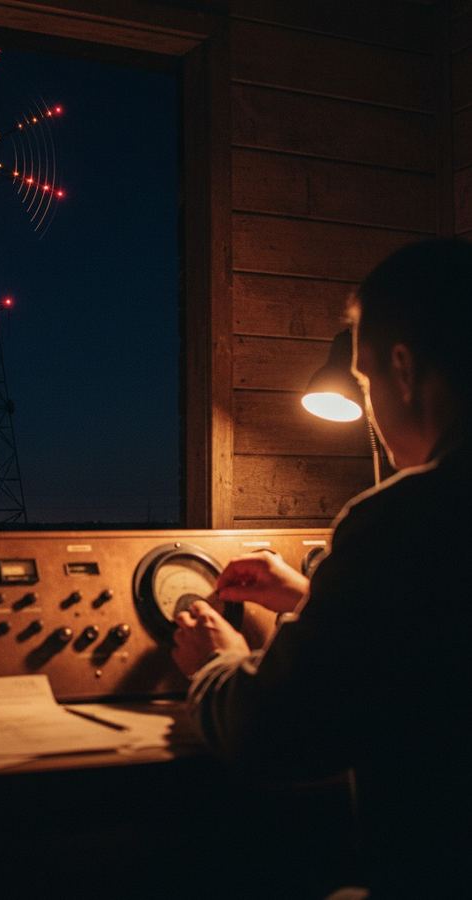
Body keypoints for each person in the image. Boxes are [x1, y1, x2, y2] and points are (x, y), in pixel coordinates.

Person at [171, 238, 472, 898]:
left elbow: (273, 735)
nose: (370, 413)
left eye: (361, 381)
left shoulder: (403, 519)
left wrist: (216, 664)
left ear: (403, 370)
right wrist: (315, 601)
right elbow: (433, 647)